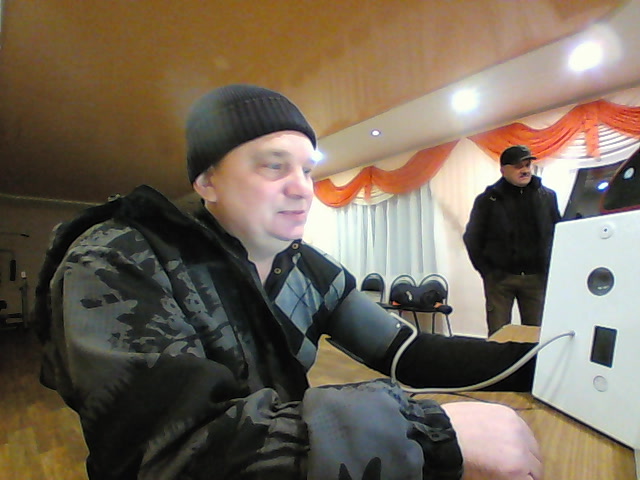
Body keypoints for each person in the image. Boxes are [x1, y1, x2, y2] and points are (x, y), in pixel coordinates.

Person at [34, 84, 542, 480]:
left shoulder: (312, 272)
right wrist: (426, 433)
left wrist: (544, 365)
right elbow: (173, 451)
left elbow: (410, 352)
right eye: (273, 166)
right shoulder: (120, 257)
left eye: (307, 169)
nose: (302, 189)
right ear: (207, 182)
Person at [463, 145, 561, 337]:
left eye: (527, 165)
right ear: (503, 170)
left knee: (538, 335)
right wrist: (487, 272)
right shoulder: (487, 200)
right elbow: (472, 237)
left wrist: (551, 268)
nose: (525, 170)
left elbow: (558, 232)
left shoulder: (547, 197)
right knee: (498, 336)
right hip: (500, 280)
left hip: (536, 278)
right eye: (518, 166)